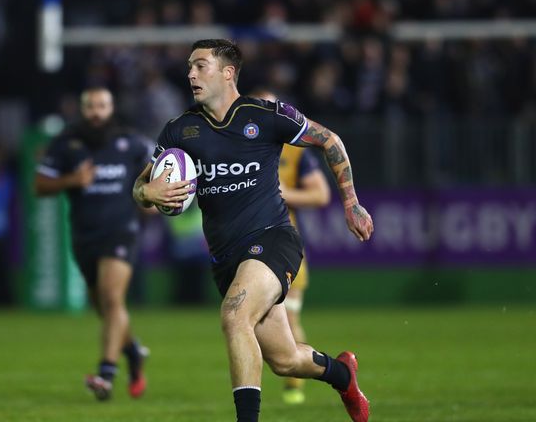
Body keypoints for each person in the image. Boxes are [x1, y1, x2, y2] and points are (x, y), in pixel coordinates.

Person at [132, 39, 373, 422]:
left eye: (200, 66)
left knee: (234, 316)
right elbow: (141, 188)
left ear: (228, 72)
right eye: (189, 67)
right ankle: (343, 375)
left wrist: (351, 202)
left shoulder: (265, 115)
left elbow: (330, 140)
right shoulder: (180, 131)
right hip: (226, 258)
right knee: (286, 360)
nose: (191, 74)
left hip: (273, 238)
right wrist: (148, 191)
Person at [34, 87, 151, 401]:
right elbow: (40, 185)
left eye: (102, 105)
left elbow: (157, 175)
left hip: (121, 231)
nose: (96, 112)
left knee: (113, 299)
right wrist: (71, 181)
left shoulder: (131, 142)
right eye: (90, 106)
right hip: (84, 235)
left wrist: (154, 198)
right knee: (103, 306)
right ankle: (133, 353)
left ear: (111, 108)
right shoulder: (66, 144)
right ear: (82, 109)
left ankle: (106, 374)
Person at [252, 89, 332, 405]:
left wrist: (283, 193)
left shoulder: (296, 151)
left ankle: (294, 385)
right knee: (251, 325)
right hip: (245, 247)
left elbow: (321, 195)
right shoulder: (237, 146)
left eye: (272, 106)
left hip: (284, 246)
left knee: (289, 319)